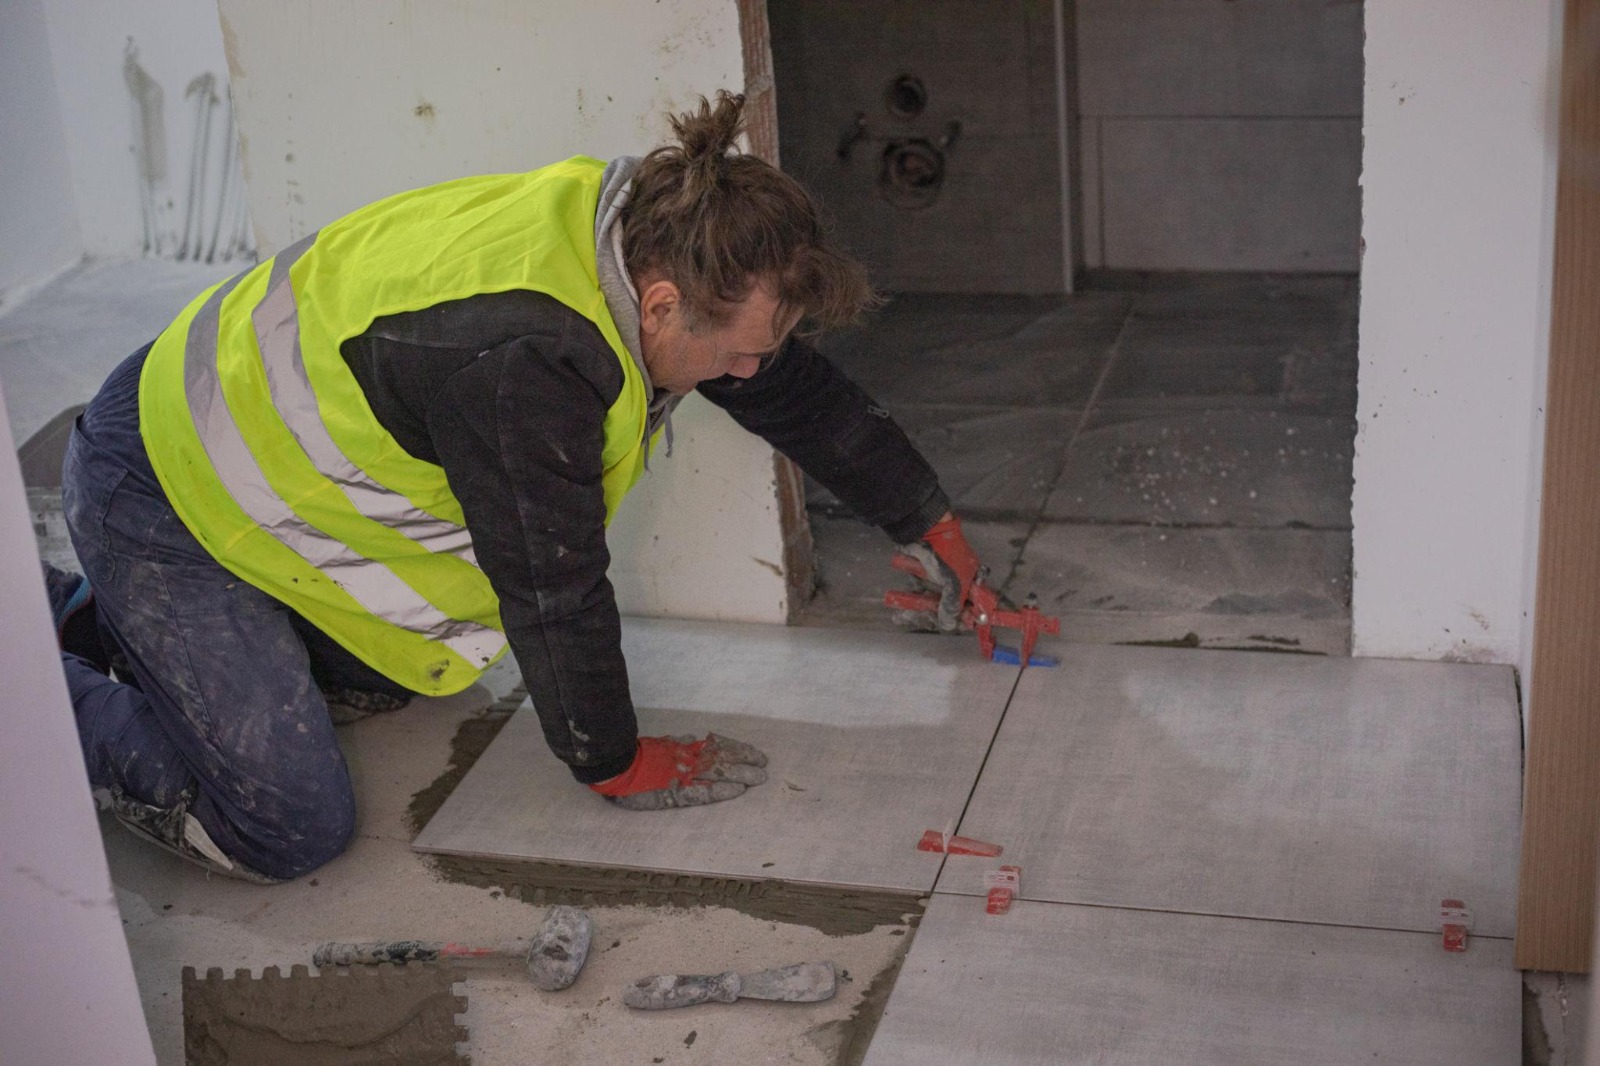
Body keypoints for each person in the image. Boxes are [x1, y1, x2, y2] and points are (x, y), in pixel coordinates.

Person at [44, 91, 985, 884]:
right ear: (664, 307)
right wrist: (613, 761)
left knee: (390, 673)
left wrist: (929, 523)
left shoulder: (645, 234)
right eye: (736, 354)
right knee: (286, 826)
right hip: (162, 491)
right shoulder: (523, 362)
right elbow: (550, 581)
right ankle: (36, 682)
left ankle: (93, 619)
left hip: (239, 468)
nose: (745, 373)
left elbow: (788, 385)